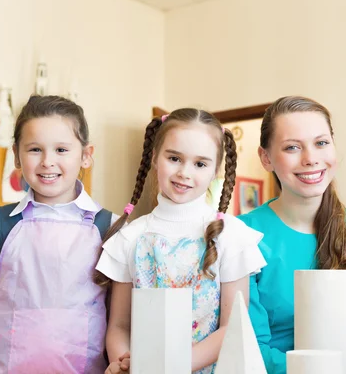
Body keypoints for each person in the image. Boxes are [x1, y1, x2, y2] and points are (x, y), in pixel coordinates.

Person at [95, 108, 266, 374]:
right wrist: (125, 363)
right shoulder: (130, 237)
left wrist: (172, 367)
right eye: (174, 158)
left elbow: (232, 328)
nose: (185, 172)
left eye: (200, 164)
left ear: (215, 170)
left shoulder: (231, 235)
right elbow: (119, 326)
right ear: (154, 158)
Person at [0, 95, 115, 373]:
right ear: (16, 154)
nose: (47, 161)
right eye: (35, 150)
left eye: (61, 150)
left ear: (86, 155)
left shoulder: (110, 229)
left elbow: (118, 326)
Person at [238, 96, 346, 374]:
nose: (311, 159)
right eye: (292, 147)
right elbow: (250, 345)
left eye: (321, 143)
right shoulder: (242, 236)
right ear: (266, 158)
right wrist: (328, 370)